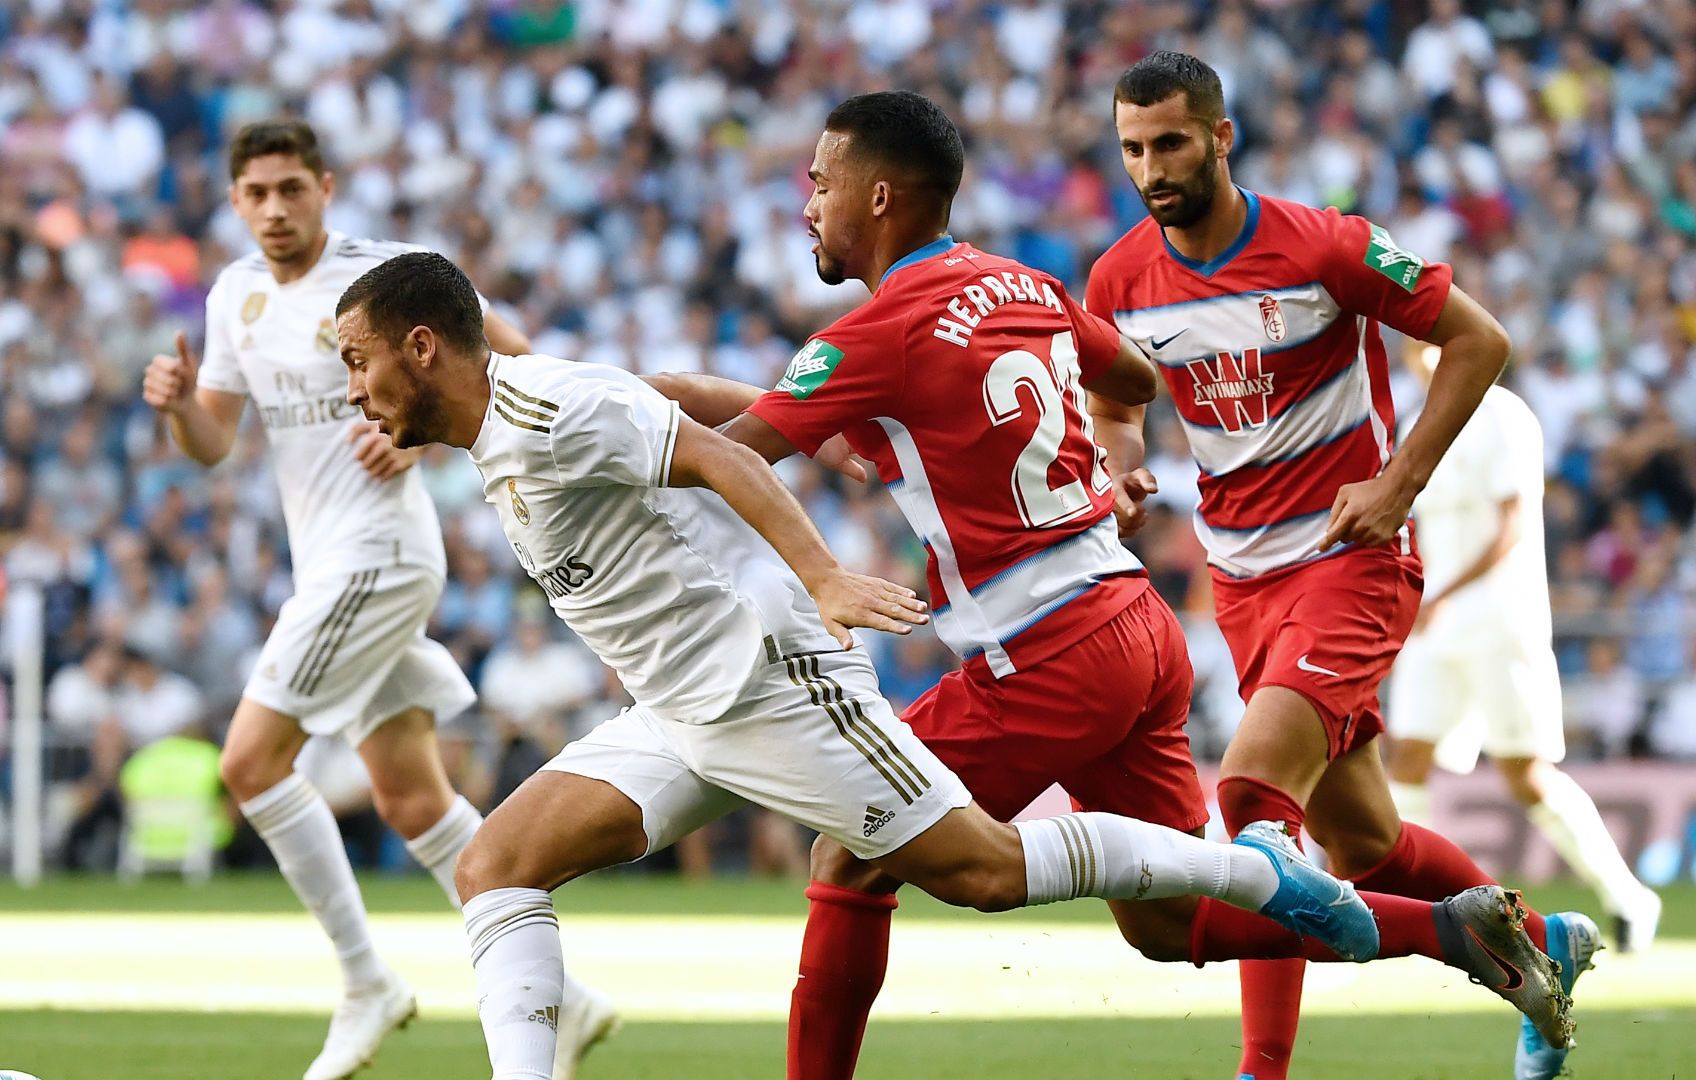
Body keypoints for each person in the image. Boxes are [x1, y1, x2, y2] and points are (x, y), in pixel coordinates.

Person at [329, 249, 1543, 1080]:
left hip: (776, 681)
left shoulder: (545, 414)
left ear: (422, 346)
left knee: (982, 873)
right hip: (682, 709)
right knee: (498, 862)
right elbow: (672, 399)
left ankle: (1255, 873)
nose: (351, 387)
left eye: (356, 360)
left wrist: (818, 577)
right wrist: (791, 414)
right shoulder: (523, 411)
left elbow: (715, 458)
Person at [643, 90, 1570, 1079]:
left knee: (852, 850)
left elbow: (729, 455)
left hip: (1057, 648)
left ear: (877, 198)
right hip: (1138, 623)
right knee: (1172, 923)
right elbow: (1127, 377)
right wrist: (1114, 454)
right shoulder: (1021, 285)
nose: (806, 205)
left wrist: (598, 436)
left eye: (820, 184)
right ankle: (1460, 935)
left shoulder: (874, 340)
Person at [1083, 53, 1595, 1080]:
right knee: (1365, 846)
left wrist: (1400, 482)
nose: (1152, 166)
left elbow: (1478, 341)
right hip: (1240, 581)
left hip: (1350, 560)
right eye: (1134, 147)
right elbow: (1118, 404)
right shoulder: (1118, 278)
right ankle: (1542, 947)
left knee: (1251, 805)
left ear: (1221, 138)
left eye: (1172, 142)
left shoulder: (1324, 244)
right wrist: (1123, 467)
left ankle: (1262, 1069)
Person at [140, 118, 613, 1080]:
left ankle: (365, 980)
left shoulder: (387, 274)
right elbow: (213, 442)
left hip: (382, 556)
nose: (276, 208)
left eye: (292, 189)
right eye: (256, 193)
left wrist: (419, 431)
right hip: (323, 562)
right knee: (408, 795)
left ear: (326, 186)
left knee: (249, 764)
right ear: (235, 202)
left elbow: (511, 355)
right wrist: (180, 404)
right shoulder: (235, 297)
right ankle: (565, 1000)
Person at [1387, 343, 1661, 954]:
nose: (1419, 355)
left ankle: (1627, 896)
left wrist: (1444, 593)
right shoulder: (1415, 419)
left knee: (1526, 774)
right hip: (1437, 619)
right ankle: (1422, 914)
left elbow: (1511, 525)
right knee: (1406, 756)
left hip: (1500, 619)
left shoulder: (1505, 414)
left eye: (1432, 341)